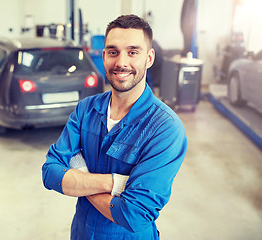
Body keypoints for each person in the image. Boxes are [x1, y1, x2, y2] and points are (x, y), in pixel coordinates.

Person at [42, 14, 187, 239]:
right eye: (113, 52)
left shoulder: (165, 128)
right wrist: (116, 183)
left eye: (133, 52)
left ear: (149, 58)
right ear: (103, 56)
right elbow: (50, 173)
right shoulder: (86, 109)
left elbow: (133, 214)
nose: (121, 62)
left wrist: (79, 173)